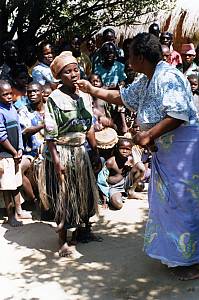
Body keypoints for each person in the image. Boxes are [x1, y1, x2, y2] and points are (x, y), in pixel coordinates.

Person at [77, 32, 199, 280]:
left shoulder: (169, 77)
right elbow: (120, 97)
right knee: (169, 205)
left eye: (130, 54)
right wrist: (92, 89)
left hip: (183, 150)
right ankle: (178, 255)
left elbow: (177, 114)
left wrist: (148, 136)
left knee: (185, 203)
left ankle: (193, 261)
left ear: (141, 57)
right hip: (166, 152)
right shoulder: (146, 80)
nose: (127, 58)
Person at [39, 51, 101, 257]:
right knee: (64, 197)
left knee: (84, 194)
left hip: (81, 151)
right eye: (68, 72)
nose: (73, 74)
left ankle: (81, 234)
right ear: (59, 76)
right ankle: (63, 242)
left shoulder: (85, 94)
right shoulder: (54, 99)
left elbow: (89, 126)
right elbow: (49, 134)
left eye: (76, 69)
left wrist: (95, 151)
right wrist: (56, 161)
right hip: (62, 152)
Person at [0, 80, 24, 226]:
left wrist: (20, 148)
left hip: (15, 154)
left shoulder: (13, 108)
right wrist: (14, 151)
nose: (9, 97)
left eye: (10, 93)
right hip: (5, 155)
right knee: (7, 188)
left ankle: (19, 211)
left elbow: (19, 131)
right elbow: (1, 136)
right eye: (4, 94)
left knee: (16, 184)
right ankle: (10, 216)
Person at [97, 138, 133, 210]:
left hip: (125, 184)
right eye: (122, 148)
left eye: (127, 149)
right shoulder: (111, 162)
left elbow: (135, 172)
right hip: (114, 187)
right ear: (117, 149)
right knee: (118, 204)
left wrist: (130, 167)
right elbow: (102, 182)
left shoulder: (130, 159)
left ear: (131, 151)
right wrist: (105, 200)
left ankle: (131, 192)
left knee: (140, 167)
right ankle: (114, 196)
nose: (124, 151)